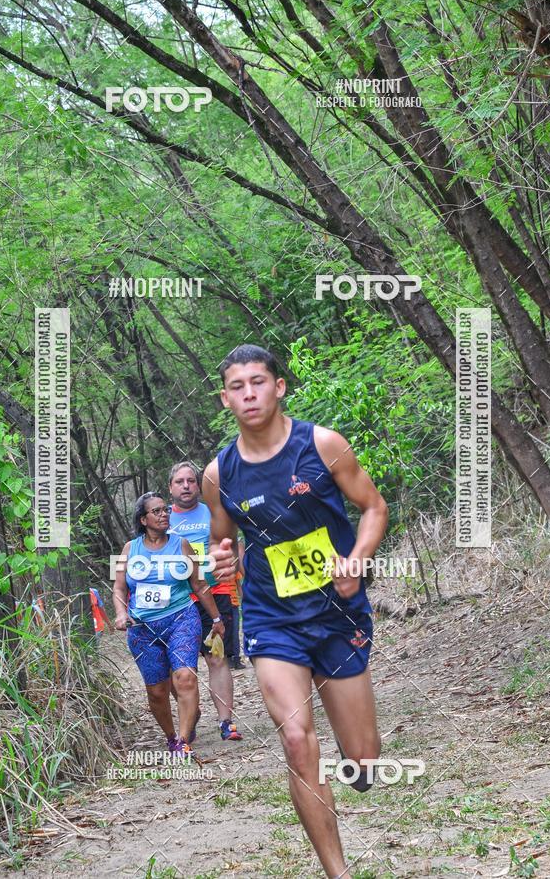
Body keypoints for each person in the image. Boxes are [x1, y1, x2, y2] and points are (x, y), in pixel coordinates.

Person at [204, 344, 388, 879]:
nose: (249, 394)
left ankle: (361, 764)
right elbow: (223, 544)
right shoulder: (220, 474)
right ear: (225, 399)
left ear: (279, 387)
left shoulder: (323, 445)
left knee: (362, 760)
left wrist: (356, 561)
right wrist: (221, 558)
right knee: (296, 739)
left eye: (258, 382)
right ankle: (338, 873)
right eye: (237, 387)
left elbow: (373, 507)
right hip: (271, 618)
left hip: (338, 614)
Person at [113, 492, 224, 755]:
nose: (164, 514)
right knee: (157, 692)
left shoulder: (180, 544)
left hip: (180, 618)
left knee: (185, 678)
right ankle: (172, 735)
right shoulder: (130, 549)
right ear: (143, 519)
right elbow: (118, 588)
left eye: (166, 510)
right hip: (142, 628)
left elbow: (199, 583)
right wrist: (120, 613)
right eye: (157, 511)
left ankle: (182, 743)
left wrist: (217, 618)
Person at [168, 462, 243, 741]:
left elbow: (234, 543)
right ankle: (192, 711)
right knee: (179, 666)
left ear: (198, 486)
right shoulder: (162, 518)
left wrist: (233, 564)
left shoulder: (213, 512)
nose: (186, 486)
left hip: (217, 591)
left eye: (191, 480)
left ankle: (226, 722)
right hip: (179, 599)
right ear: (170, 487)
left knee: (216, 657)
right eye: (180, 481)